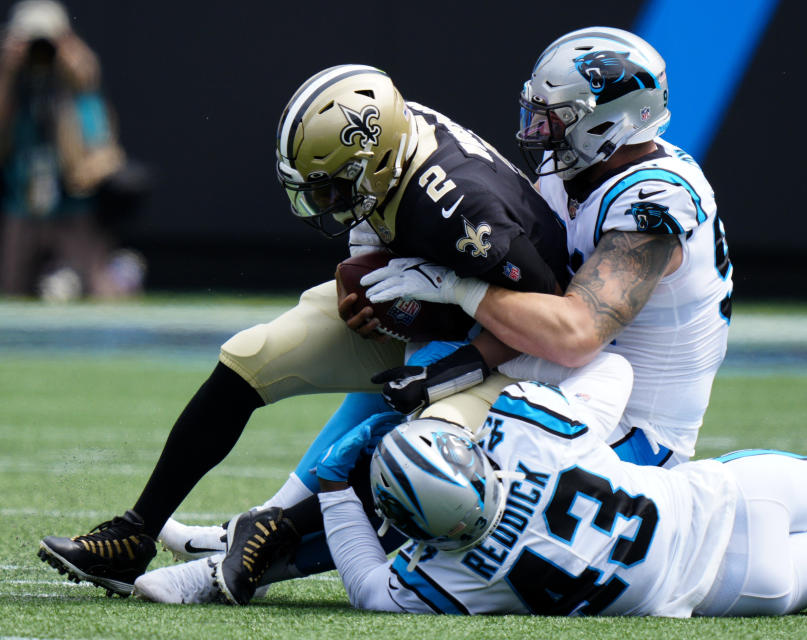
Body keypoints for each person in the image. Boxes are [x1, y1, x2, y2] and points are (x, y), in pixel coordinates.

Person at [37, 64, 571, 596]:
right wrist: (360, 283)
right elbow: (374, 222)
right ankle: (135, 534)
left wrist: (446, 369)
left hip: (509, 351)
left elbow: (545, 315)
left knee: (418, 455)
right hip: (432, 301)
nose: (324, 203)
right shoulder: (392, 142)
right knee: (254, 354)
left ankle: (271, 533)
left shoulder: (463, 208)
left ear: (376, 158)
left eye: (333, 189)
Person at [136, 352, 807, 615]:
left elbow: (367, 584)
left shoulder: (454, 574)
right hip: (727, 502)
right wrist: (461, 389)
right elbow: (613, 364)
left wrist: (342, 489)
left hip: (733, 586)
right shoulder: (531, 439)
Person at [364, 26, 732, 469]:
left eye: (554, 117)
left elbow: (575, 335)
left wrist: (456, 287)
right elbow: (532, 294)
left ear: (605, 122)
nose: (538, 129)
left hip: (635, 433)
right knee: (382, 419)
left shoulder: (653, 203)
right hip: (556, 379)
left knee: (422, 469)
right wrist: (444, 350)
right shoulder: (576, 170)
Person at [0, 0, 145, 300]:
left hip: (71, 211)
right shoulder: (11, 88)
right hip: (20, 210)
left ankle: (119, 274)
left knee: (97, 294)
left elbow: (102, 153)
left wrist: (79, 75)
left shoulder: (76, 92)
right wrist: (6, 75)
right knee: (11, 295)